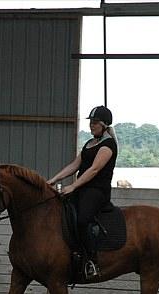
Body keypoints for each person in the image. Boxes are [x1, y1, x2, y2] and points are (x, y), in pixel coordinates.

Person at [48, 105, 118, 278]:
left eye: (95, 123)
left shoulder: (108, 145)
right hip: (82, 188)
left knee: (82, 219)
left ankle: (90, 260)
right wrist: (54, 179)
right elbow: (75, 165)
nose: (91, 125)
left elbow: (94, 170)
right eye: (91, 122)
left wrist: (72, 186)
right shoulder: (89, 143)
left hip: (97, 191)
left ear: (104, 125)